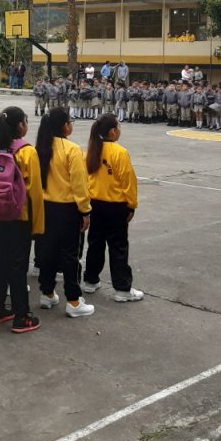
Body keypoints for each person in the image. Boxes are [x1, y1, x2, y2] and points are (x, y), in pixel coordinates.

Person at [0, 106, 45, 333]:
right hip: (19, 217)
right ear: (20, 126)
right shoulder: (27, 152)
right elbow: (35, 192)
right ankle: (22, 316)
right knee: (17, 266)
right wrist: (38, 225)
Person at [34, 107, 94, 317]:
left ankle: (47, 292)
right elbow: (79, 184)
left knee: (47, 251)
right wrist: (85, 210)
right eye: (70, 122)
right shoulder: (72, 149)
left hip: (45, 207)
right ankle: (74, 301)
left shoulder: (39, 147)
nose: (71, 126)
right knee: (70, 254)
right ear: (63, 126)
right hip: (67, 209)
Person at [82, 114, 142, 302]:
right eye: (118, 127)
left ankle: (90, 281)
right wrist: (131, 205)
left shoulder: (91, 150)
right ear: (112, 131)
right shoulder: (120, 152)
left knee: (95, 243)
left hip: (95, 204)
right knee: (118, 246)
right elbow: (128, 182)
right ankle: (122, 289)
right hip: (116, 206)